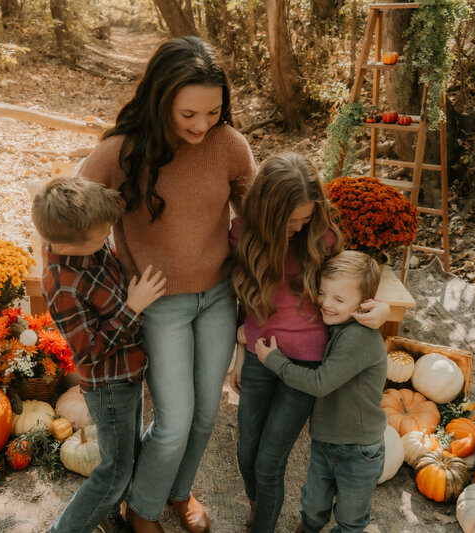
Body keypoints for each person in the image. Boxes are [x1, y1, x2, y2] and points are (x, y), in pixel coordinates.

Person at [76, 36, 256, 533]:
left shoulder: (230, 146)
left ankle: (176, 490)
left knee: (204, 416)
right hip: (157, 304)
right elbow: (69, 217)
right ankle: (141, 506)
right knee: (174, 420)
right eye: (188, 114)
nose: (202, 125)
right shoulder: (119, 153)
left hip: (218, 297)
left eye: (213, 112)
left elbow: (260, 220)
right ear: (160, 100)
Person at [229, 153, 390, 533]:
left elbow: (353, 284)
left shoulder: (324, 237)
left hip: (307, 363)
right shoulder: (241, 234)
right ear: (267, 211)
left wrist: (379, 307)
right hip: (258, 354)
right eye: (291, 221)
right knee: (246, 450)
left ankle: (262, 525)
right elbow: (241, 298)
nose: (299, 227)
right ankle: (260, 504)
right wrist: (239, 353)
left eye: (305, 218)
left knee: (270, 459)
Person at [32, 176, 167, 533]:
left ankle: (107, 515)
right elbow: (89, 351)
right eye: (101, 236)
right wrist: (132, 307)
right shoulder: (61, 284)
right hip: (108, 386)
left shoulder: (89, 245)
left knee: (127, 454)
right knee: (114, 470)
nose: (107, 237)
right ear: (70, 243)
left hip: (129, 372)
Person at [254, 251, 388, 533]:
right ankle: (309, 526)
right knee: (314, 504)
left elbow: (319, 383)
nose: (326, 304)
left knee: (350, 516)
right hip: (326, 440)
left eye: (338, 300)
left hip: (359, 449)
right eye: (322, 293)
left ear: (364, 303)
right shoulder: (338, 323)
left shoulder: (359, 337)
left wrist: (275, 361)